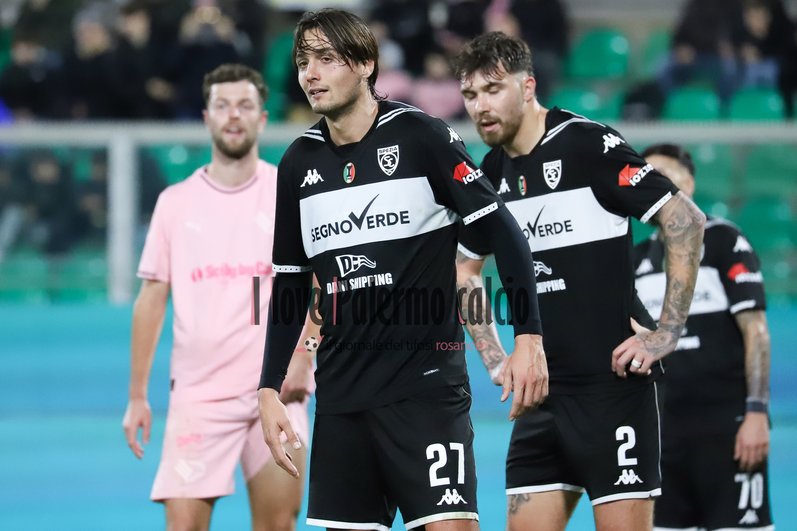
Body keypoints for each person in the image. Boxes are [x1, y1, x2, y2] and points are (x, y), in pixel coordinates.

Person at [257, 9, 547, 531]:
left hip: (426, 394)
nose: (310, 74)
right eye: (302, 62)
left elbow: (505, 231)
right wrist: (269, 388)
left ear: (365, 64)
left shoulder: (420, 136)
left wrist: (528, 336)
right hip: (342, 401)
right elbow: (291, 282)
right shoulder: (298, 163)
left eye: (326, 59)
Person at [452, 32, 706, 531]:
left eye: (493, 89)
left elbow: (686, 220)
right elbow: (464, 268)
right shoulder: (490, 174)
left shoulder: (587, 144)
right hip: (539, 400)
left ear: (528, 87)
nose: (480, 106)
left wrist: (667, 332)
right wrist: (496, 359)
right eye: (471, 94)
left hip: (613, 391)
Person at [122, 63, 313, 531]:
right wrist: (137, 396)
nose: (233, 115)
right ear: (207, 117)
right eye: (222, 105)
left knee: (278, 525)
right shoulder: (175, 202)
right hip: (199, 398)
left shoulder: (287, 194)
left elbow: (319, 286)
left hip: (275, 392)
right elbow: (151, 298)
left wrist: (304, 359)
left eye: (245, 105)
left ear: (262, 119)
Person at [632, 143, 773, 531]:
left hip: (727, 429)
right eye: (644, 179)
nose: (652, 186)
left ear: (689, 184)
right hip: (661, 436)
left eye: (663, 177)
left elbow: (756, 331)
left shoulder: (724, 241)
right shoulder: (636, 259)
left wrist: (756, 414)